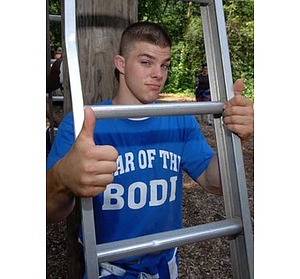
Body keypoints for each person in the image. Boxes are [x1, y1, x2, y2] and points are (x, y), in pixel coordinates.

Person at [46, 22, 254, 278]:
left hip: (165, 265)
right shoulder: (83, 124)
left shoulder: (179, 118)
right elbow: (48, 212)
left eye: (164, 64)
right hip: (109, 268)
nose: (158, 74)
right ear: (121, 64)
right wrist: (61, 179)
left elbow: (216, 183)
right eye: (146, 62)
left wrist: (234, 137)